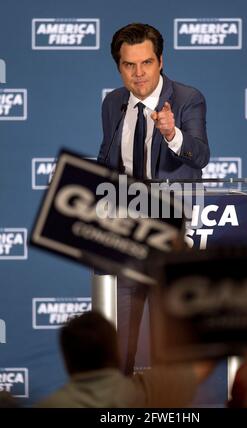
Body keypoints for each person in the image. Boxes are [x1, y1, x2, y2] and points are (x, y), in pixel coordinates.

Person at [97, 23, 210, 374]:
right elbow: (107, 158)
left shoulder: (188, 98)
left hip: (172, 236)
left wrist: (172, 134)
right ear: (119, 67)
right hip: (128, 231)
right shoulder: (113, 102)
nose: (138, 73)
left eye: (146, 62)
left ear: (161, 61)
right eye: (129, 65)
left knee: (167, 343)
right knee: (122, 342)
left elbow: (200, 155)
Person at [36, 311, 215, 408]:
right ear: (117, 352)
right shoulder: (148, 394)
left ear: (66, 360)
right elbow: (201, 368)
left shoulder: (49, 405)